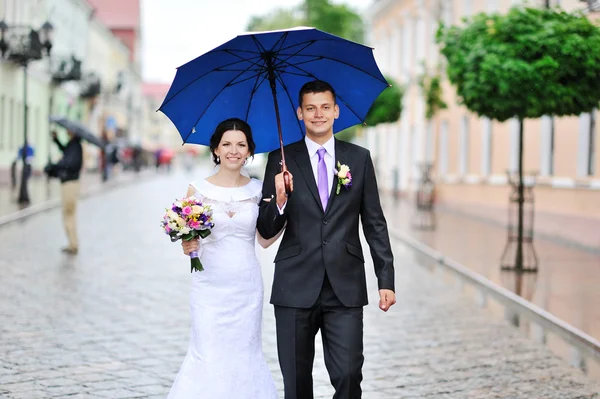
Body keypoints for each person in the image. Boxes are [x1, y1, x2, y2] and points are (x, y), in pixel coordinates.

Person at [257, 80, 396, 399]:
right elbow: (265, 230)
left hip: (344, 286)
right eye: (310, 108)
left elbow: (374, 222)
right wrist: (279, 199)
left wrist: (385, 278)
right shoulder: (281, 160)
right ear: (299, 113)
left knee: (349, 376)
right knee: (296, 385)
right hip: (294, 286)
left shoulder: (358, 159)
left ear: (336, 111)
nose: (317, 114)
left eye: (324, 107)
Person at [168, 118, 278, 399]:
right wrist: (187, 245)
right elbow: (188, 240)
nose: (234, 150)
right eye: (227, 144)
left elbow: (265, 240)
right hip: (209, 288)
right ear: (215, 149)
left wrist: (282, 205)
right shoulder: (198, 190)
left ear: (249, 150)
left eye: (241, 144)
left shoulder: (258, 191)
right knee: (207, 351)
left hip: (246, 287)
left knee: (245, 353)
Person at [52, 130, 83, 255]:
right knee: (69, 214)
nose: (67, 131)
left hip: (70, 183)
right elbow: (66, 151)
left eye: (70, 130)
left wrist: (59, 164)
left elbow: (71, 163)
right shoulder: (73, 145)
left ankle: (73, 244)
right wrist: (56, 140)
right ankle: (72, 243)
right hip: (69, 183)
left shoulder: (75, 146)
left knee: (68, 213)